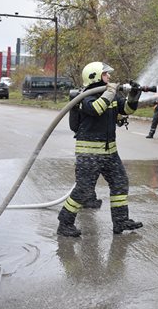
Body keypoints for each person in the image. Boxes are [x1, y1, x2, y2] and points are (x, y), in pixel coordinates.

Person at [57, 61, 143, 237]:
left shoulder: (109, 95)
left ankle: (120, 221)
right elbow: (96, 109)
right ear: (94, 76)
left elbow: (126, 109)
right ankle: (65, 223)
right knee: (84, 190)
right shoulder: (83, 97)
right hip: (89, 153)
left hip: (110, 152)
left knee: (120, 183)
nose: (109, 77)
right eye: (105, 74)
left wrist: (134, 95)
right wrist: (111, 91)